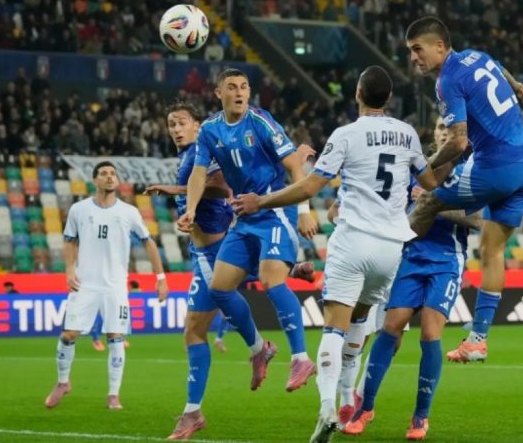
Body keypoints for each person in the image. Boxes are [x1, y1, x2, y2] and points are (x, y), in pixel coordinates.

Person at [232, 65, 448, 443]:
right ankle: (350, 397)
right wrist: (456, 149)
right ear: (389, 98)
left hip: (353, 240)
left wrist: (260, 202)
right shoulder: (408, 134)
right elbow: (430, 182)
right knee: (360, 320)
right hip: (391, 249)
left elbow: (308, 187)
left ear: (358, 95)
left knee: (334, 326)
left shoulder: (346, 134)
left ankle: (328, 407)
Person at [148, 101, 317, 440]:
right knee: (193, 330)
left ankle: (253, 354)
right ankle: (195, 409)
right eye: (171, 124)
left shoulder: (204, 149)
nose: (176, 129)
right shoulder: (194, 152)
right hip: (204, 250)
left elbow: (222, 188)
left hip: (211, 250)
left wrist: (178, 192)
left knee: (198, 326)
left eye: (182, 122)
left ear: (198, 125)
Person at [404, 17, 523, 363]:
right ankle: (478, 340)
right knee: (492, 250)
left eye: (418, 49)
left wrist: (423, 167)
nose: (414, 58)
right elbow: (521, 91)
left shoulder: (447, 80)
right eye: (411, 51)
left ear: (439, 46)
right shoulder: (481, 57)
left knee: (427, 202)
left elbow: (458, 142)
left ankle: (389, 269)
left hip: (493, 169)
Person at [178, 69, 319, 396]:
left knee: (271, 280)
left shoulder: (261, 121)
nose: (240, 92)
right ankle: (258, 349)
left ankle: (300, 358)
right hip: (244, 218)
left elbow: (294, 166)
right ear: (219, 93)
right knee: (219, 287)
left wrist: (304, 211)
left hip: (275, 211)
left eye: (244, 87)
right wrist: (190, 208)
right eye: (232, 87)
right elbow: (198, 174)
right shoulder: (210, 130)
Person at [343, 118, 483, 440]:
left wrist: (431, 204)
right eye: (440, 127)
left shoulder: (470, 171)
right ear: (434, 133)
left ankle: (420, 417)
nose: (445, 132)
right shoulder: (415, 168)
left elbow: (476, 219)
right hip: (411, 256)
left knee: (430, 334)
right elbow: (397, 212)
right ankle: (365, 408)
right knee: (391, 327)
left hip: (446, 260)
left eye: (451, 128)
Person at [44, 161, 168, 410]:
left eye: (113, 173)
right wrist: (69, 269)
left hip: (115, 286)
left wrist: (161, 277)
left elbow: (149, 242)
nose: (110, 177)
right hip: (84, 283)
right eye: (104, 173)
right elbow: (70, 240)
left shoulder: (129, 212)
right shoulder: (79, 210)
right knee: (68, 334)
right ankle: (63, 382)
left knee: (115, 336)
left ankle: (113, 394)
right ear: (95, 180)